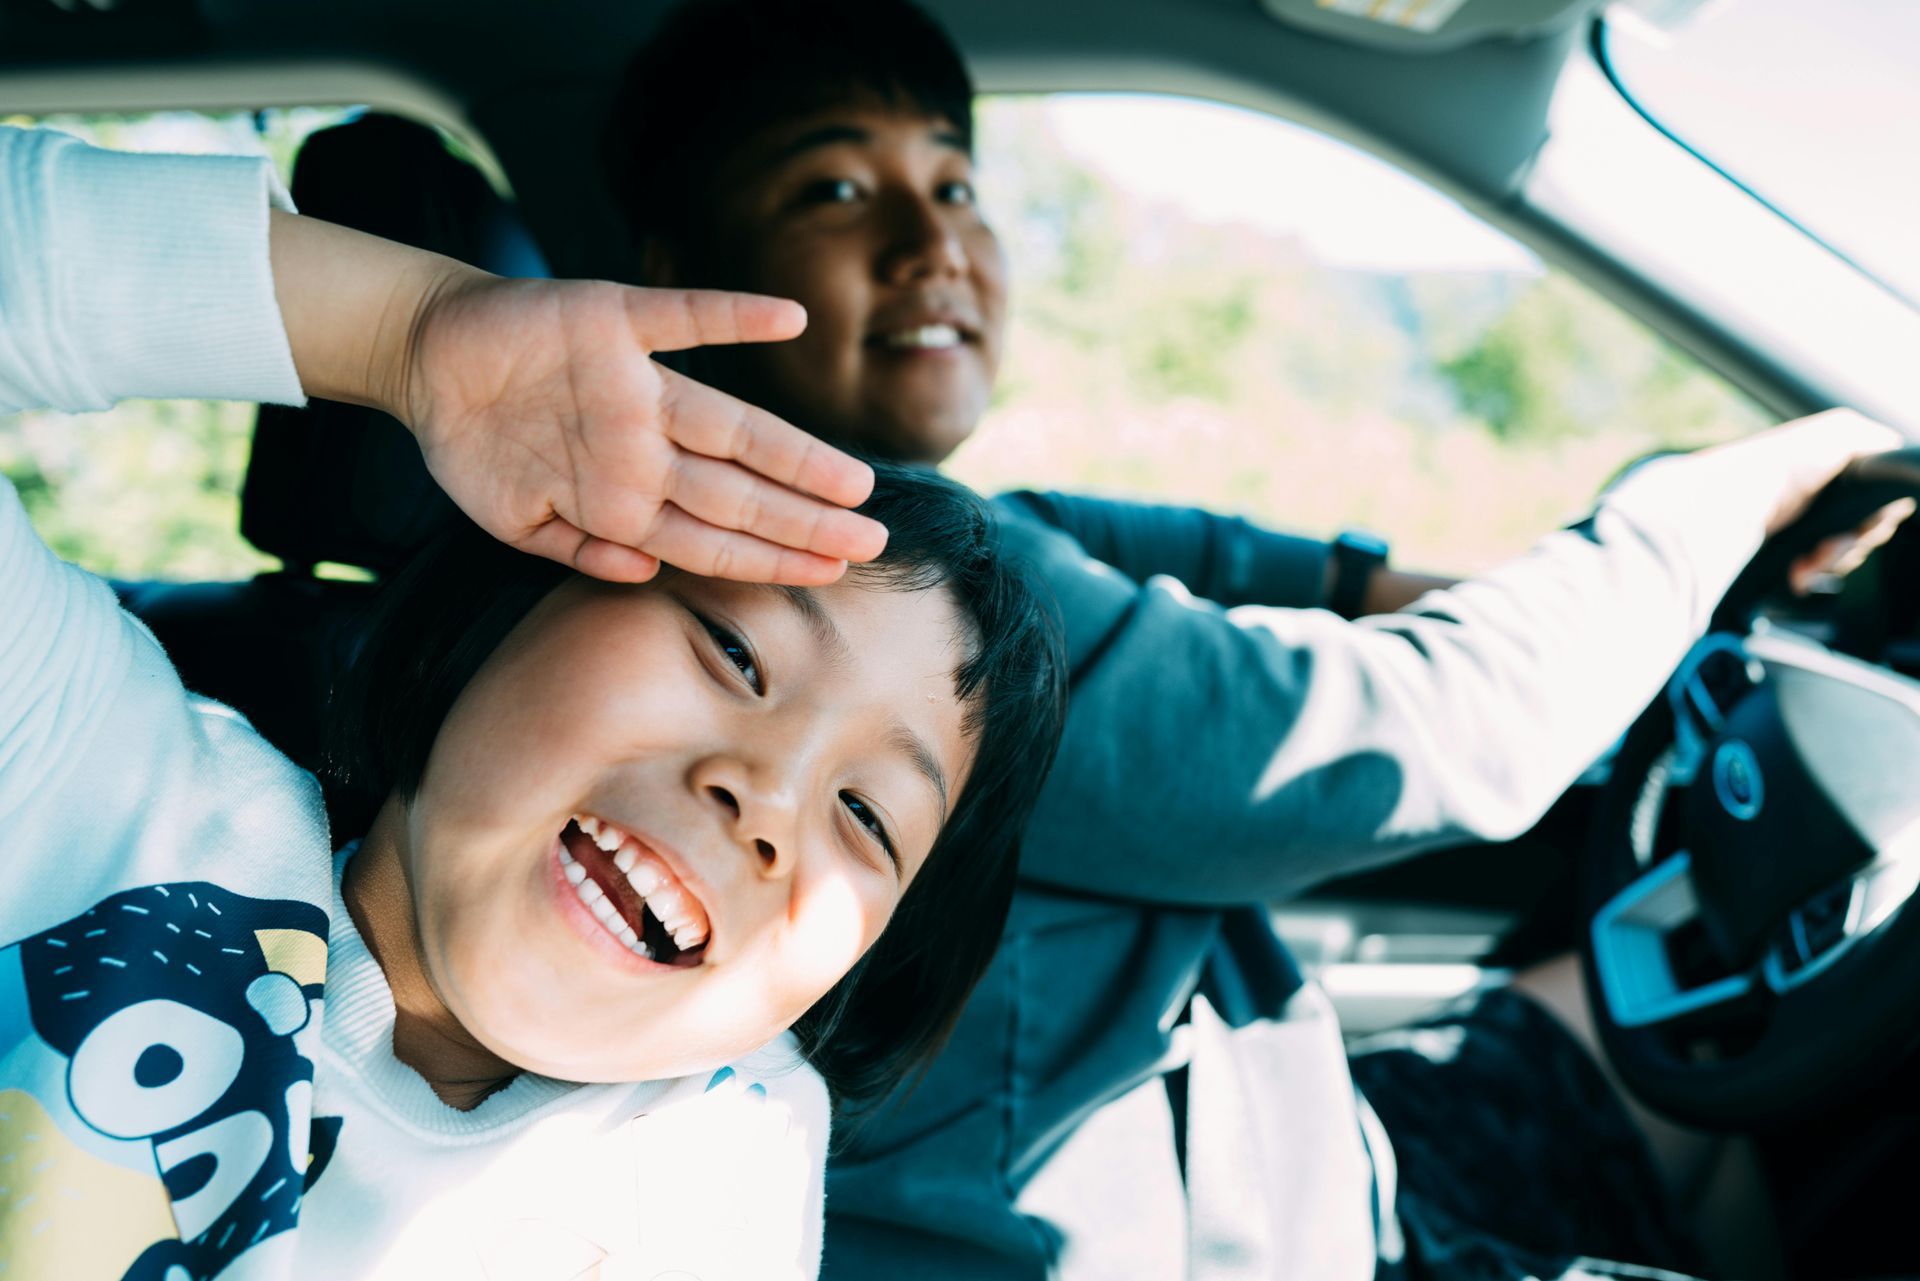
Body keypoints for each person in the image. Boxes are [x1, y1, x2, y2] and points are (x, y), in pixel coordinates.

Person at [601, 5, 1909, 1278]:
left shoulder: (968, 532)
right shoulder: (869, 598)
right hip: (1202, 1241)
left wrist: (1661, 588)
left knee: (1679, 1071)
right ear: (678, 273)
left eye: (954, 183)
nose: (927, 240)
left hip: (1296, 1171)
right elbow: (1442, 727)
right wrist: (1731, 495)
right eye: (832, 191)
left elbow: (1291, 576)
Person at [0, 123, 1065, 1280]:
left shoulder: (714, 1160)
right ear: (507, 612)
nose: (765, 799)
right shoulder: (91, 772)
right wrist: (400, 333)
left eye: (866, 819)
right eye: (732, 653)